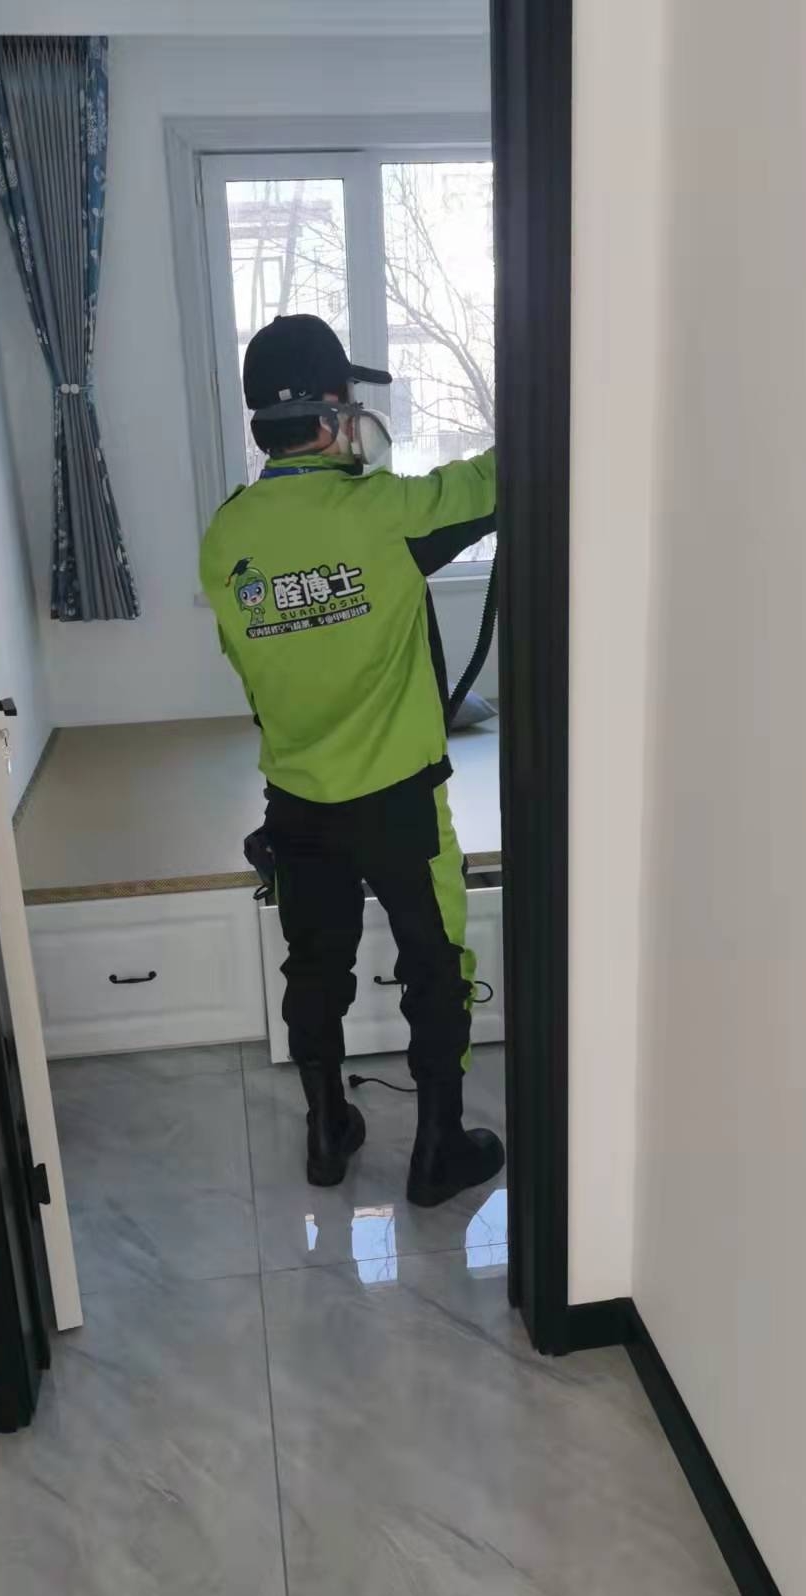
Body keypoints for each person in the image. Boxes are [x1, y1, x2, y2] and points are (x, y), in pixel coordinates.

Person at [200, 313, 504, 1208]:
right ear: (333, 414)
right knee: (434, 962)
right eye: (354, 405)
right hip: (399, 800)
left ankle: (327, 1129)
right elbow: (500, 480)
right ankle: (437, 1148)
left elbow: (252, 672)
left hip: (296, 799)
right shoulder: (386, 514)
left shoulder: (226, 536)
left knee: (313, 966)